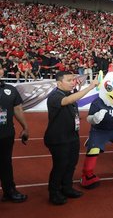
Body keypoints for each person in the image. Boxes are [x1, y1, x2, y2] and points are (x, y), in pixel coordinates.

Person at [44, 71, 98, 205]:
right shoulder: (55, 96)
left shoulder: (69, 94)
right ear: (59, 83)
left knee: (71, 165)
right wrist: (91, 87)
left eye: (74, 79)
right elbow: (67, 101)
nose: (73, 82)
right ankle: (54, 192)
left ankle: (67, 187)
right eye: (69, 80)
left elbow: (72, 99)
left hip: (72, 136)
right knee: (60, 166)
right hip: (58, 138)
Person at [0, 64, 29, 203]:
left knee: (6, 163)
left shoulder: (10, 89)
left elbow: (17, 109)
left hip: (6, 134)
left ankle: (9, 191)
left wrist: (25, 127)